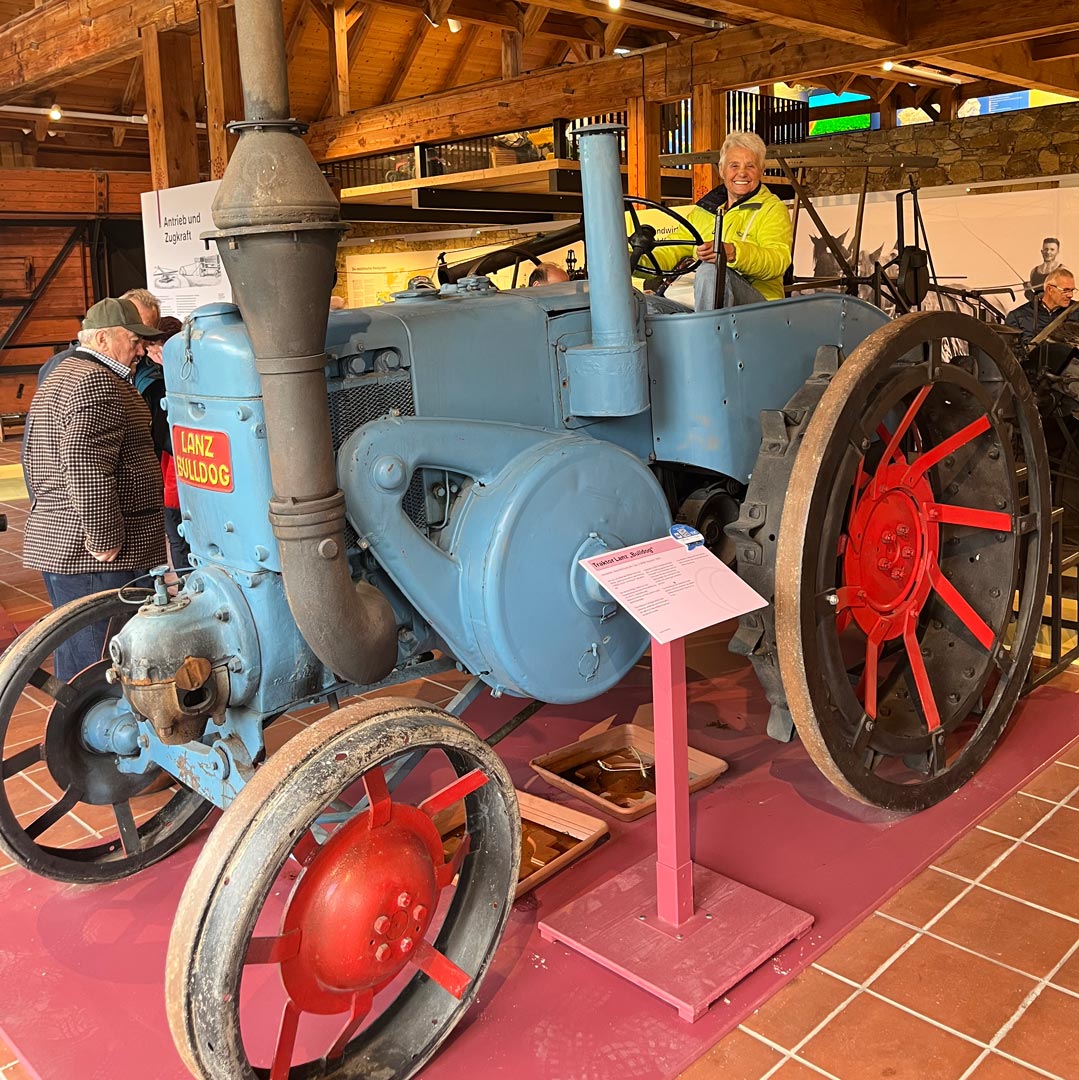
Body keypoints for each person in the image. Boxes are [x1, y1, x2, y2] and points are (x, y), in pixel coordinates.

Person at [22, 297, 167, 681]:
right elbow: (86, 466)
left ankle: (78, 722)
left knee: (80, 666)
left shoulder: (66, 372)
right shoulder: (96, 381)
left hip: (73, 550)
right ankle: (99, 724)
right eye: (133, 340)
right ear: (103, 339)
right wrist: (105, 539)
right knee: (101, 670)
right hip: (96, 559)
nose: (140, 350)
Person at [643, 131, 792, 309]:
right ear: (722, 170)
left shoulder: (772, 209)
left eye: (750, 166)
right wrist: (634, 258)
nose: (742, 173)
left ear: (761, 170)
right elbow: (673, 249)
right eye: (734, 166)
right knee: (639, 302)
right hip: (696, 299)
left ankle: (708, 326)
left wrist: (734, 253)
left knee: (711, 270)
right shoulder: (703, 210)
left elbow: (778, 260)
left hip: (757, 306)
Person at [135, 316, 190, 570]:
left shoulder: (149, 377)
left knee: (179, 537)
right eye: (150, 349)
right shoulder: (154, 381)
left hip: (174, 467)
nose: (151, 354)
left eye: (155, 348)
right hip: (172, 468)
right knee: (178, 538)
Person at [1005, 267, 1078, 350]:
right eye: (1065, 290)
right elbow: (1009, 353)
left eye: (1072, 290)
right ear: (1050, 289)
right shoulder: (1017, 317)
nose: (1070, 295)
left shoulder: (1076, 310)